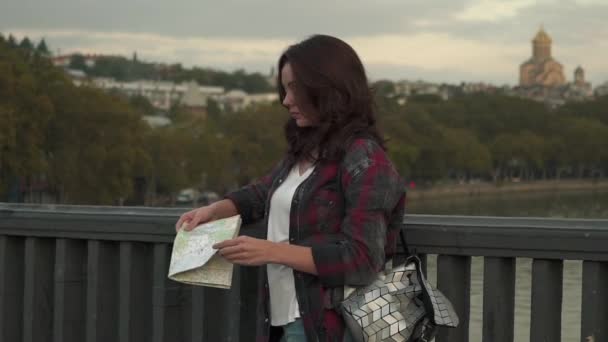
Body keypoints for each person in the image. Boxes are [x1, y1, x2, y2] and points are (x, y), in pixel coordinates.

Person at [175, 34, 406, 342]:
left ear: (328, 87)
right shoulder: (307, 149)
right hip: (287, 319)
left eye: (295, 88)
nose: (286, 101)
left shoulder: (364, 156)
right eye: (284, 90)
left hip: (328, 324)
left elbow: (362, 260)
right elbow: (262, 194)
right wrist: (214, 210)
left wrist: (272, 251)